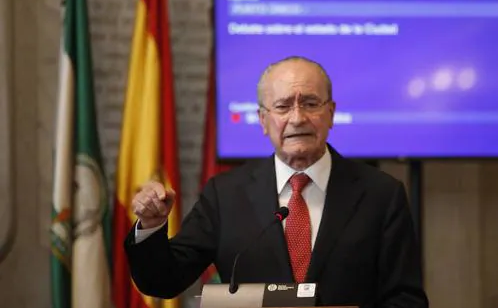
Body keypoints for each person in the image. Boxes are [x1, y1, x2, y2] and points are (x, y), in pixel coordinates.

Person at [125, 56, 428, 308]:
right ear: (262, 120)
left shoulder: (381, 194)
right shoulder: (225, 195)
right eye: (283, 106)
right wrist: (150, 227)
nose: (297, 118)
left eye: (310, 103)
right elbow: (163, 281)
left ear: (331, 113)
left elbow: (406, 299)